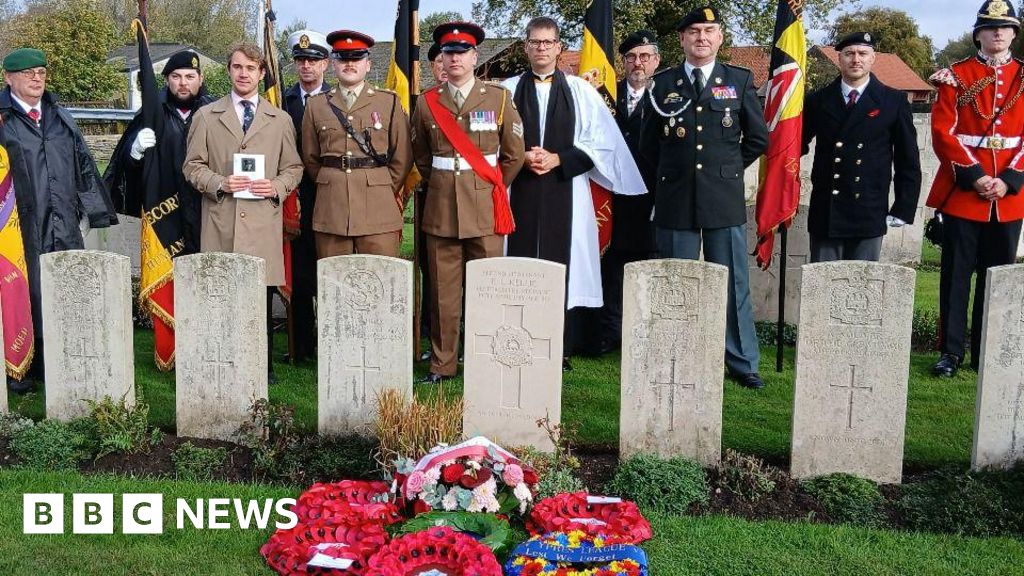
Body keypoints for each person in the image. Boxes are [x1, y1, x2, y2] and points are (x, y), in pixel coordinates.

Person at [501, 17, 645, 369]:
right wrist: (522, 158)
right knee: (515, 263)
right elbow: (491, 140)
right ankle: (513, 337)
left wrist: (558, 158)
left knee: (562, 264)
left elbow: (602, 144)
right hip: (516, 189)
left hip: (566, 189)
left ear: (559, 47)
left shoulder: (581, 91)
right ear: (526, 47)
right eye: (535, 42)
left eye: (548, 42)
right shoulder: (504, 90)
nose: (541, 48)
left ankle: (559, 345)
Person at [639, 6, 769, 390]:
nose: (701, 37)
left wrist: (726, 169)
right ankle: (673, 353)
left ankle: (743, 362)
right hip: (676, 198)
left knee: (733, 283)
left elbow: (758, 139)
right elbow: (649, 144)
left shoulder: (739, 80)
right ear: (681, 39)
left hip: (722, 199)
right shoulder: (662, 83)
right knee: (674, 282)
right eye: (693, 31)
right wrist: (675, 171)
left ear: (720, 38)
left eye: (709, 31)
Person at [411, 22, 525, 384]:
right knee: (443, 293)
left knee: (488, 290)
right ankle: (443, 364)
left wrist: (488, 187)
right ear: (441, 59)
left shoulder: (498, 99)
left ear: (475, 56)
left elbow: (513, 154)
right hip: (442, 209)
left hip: (485, 210)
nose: (455, 58)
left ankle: (489, 360)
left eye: (462, 52)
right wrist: (445, 185)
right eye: (449, 53)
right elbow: (422, 158)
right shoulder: (426, 102)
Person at [183, 42, 304, 383]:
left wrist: (277, 187)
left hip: (262, 223)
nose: (243, 73)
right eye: (237, 67)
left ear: (262, 73)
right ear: (228, 70)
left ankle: (262, 367)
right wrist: (221, 182)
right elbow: (192, 167)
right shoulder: (206, 117)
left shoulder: (279, 120)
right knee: (221, 298)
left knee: (260, 298)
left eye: (251, 68)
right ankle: (220, 362)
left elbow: (294, 168)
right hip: (222, 219)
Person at [0, 48, 118, 394]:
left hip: (64, 219)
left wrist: (94, 210)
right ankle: (22, 364)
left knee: (64, 287)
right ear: (8, 78)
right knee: (25, 288)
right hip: (18, 225)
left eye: (41, 72)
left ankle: (63, 357)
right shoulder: (3, 120)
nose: (37, 79)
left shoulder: (59, 116)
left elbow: (82, 163)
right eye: (27, 73)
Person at [927, 0, 1024, 377]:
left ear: (1014, 33)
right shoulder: (957, 75)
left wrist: (1010, 179)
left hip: (1009, 196)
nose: (997, 32)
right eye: (989, 27)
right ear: (978, 33)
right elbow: (942, 131)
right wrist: (976, 175)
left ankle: (989, 349)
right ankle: (950, 353)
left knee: (997, 277)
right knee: (955, 275)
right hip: (965, 193)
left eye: (1004, 27)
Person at [802, 32, 921, 262]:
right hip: (827, 210)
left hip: (869, 209)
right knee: (822, 288)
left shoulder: (893, 101)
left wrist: (903, 207)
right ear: (839, 59)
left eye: (862, 53)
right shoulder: (818, 100)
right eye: (849, 54)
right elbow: (795, 145)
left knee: (862, 289)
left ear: (873, 58)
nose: (856, 59)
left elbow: (907, 160)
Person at [302, 30, 412, 258]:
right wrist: (333, 181)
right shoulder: (316, 105)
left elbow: (402, 156)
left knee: (379, 281)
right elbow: (310, 158)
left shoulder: (388, 102)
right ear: (333, 64)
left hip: (378, 209)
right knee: (334, 284)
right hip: (332, 210)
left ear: (368, 64)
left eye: (356, 58)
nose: (349, 63)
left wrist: (380, 186)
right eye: (343, 58)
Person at [106, 50, 215, 255]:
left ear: (201, 79)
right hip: (163, 211)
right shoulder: (151, 114)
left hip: (205, 210)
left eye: (190, 76)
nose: (183, 83)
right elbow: (124, 168)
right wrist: (134, 151)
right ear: (167, 80)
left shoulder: (215, 111)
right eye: (176, 77)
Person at [600, 30, 661, 354]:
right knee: (613, 265)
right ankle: (611, 331)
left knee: (648, 266)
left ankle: (644, 334)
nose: (638, 63)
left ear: (656, 60)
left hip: (652, 196)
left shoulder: (667, 95)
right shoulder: (607, 94)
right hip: (614, 198)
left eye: (644, 56)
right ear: (623, 62)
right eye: (631, 57)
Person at [282, 29, 330, 363]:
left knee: (326, 269)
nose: (306, 67)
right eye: (300, 60)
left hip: (326, 195)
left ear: (325, 64)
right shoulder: (280, 102)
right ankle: (301, 347)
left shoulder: (337, 101)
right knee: (297, 272)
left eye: (313, 60)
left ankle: (330, 341)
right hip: (291, 196)